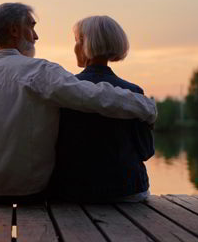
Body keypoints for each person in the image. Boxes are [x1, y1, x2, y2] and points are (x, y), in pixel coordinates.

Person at [0, 3, 157, 204]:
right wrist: (145, 106)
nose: (36, 36)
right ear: (14, 30)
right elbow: (94, 96)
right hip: (27, 192)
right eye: (31, 26)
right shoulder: (38, 71)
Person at [50, 15, 154, 202]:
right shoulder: (133, 92)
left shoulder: (64, 90)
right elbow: (146, 151)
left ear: (83, 45)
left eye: (76, 41)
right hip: (127, 190)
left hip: (72, 191)